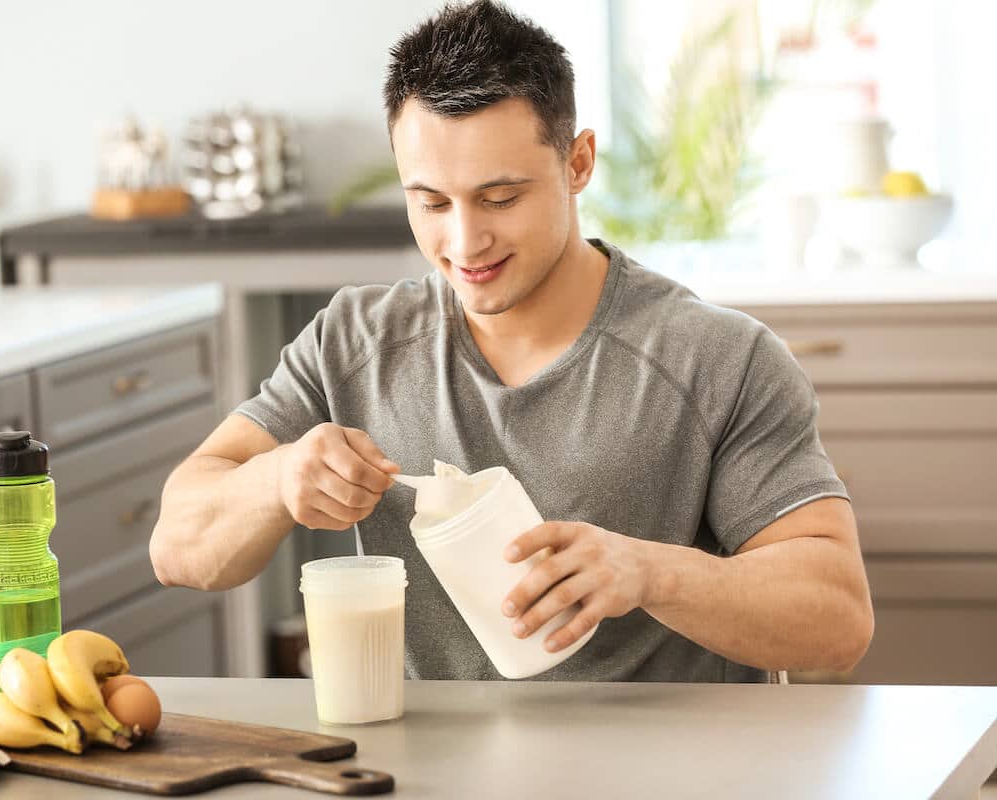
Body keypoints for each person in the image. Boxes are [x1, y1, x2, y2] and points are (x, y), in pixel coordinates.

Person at [150, 0, 873, 682]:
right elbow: (178, 546)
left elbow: (838, 619)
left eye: (501, 198)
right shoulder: (354, 343)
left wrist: (651, 573)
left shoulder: (717, 359)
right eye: (430, 202)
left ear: (578, 163)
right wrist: (276, 480)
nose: (464, 242)